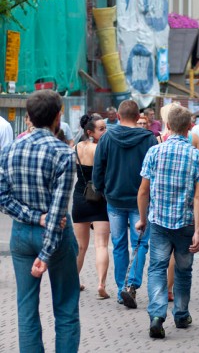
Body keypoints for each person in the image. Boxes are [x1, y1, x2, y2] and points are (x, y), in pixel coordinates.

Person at [0, 90, 80, 352]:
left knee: (26, 308)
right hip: (55, 238)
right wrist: (45, 254)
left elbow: (3, 199)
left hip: (21, 235)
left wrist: (33, 217)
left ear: (29, 117)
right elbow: (57, 212)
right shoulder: (64, 153)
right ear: (59, 117)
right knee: (66, 308)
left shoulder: (9, 150)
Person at [136, 105, 199, 339]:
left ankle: (157, 315)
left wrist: (143, 219)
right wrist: (198, 230)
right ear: (189, 127)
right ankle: (180, 314)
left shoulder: (154, 152)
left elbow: (143, 191)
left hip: (158, 222)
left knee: (157, 268)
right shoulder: (197, 157)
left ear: (167, 126)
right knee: (184, 270)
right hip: (186, 223)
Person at [93, 99, 158, 308]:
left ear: (118, 116)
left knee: (118, 245)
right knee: (139, 243)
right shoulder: (149, 139)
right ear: (138, 116)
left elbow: (98, 169)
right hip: (141, 199)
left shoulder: (107, 137)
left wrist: (103, 190)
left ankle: (122, 288)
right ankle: (132, 284)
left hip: (114, 198)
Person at [72, 114, 111, 299]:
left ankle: (73, 281)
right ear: (90, 132)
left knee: (80, 246)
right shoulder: (101, 149)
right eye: (101, 129)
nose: (105, 131)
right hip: (99, 198)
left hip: (80, 197)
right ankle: (101, 284)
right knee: (101, 245)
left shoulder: (76, 148)